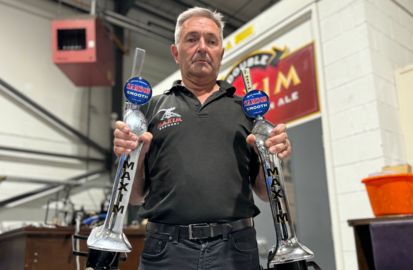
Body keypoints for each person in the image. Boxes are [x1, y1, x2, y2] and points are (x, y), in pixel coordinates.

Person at [113, 7, 291, 270]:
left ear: (221, 51)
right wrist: (129, 157)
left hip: (236, 249)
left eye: (211, 40)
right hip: (165, 250)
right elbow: (136, 197)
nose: (202, 47)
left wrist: (272, 158)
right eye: (191, 39)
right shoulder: (149, 110)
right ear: (176, 52)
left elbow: (265, 194)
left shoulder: (248, 111)